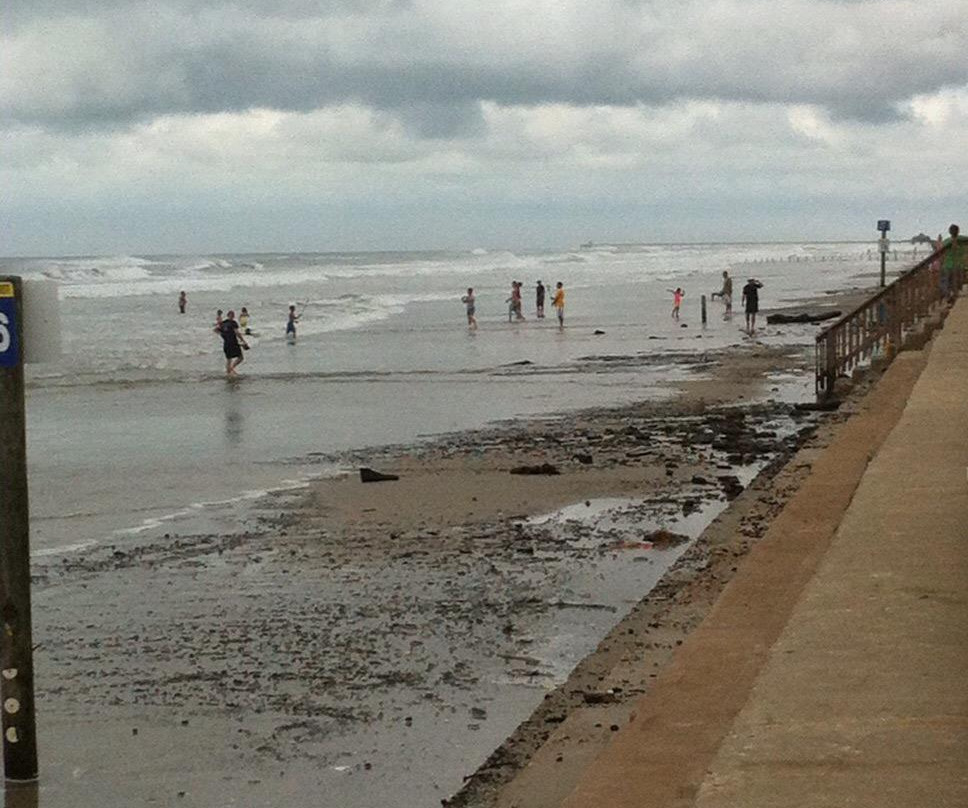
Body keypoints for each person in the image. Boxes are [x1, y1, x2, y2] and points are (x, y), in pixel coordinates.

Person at [217, 309, 249, 375]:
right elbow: (237, 333)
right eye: (232, 315)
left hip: (226, 343)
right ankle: (231, 369)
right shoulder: (233, 323)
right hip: (233, 343)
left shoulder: (223, 323)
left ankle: (228, 372)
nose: (232, 316)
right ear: (232, 316)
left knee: (229, 359)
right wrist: (243, 341)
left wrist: (224, 336)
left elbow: (216, 330)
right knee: (240, 357)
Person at [941, 224, 964, 303]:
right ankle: (954, 296)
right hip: (958, 265)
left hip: (948, 265)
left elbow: (941, 253)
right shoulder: (962, 240)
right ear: (958, 231)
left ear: (949, 232)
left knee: (946, 283)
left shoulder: (946, 241)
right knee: (956, 283)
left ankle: (949, 297)